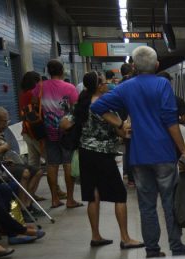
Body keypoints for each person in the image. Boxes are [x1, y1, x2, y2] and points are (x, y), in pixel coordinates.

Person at [90, 46, 185, 258]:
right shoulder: (162, 84)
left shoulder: (127, 87)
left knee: (147, 205)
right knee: (169, 203)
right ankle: (177, 247)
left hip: (139, 155)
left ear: (133, 66)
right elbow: (171, 122)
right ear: (157, 65)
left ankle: (152, 250)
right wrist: (183, 150)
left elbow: (97, 107)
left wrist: (120, 125)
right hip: (163, 153)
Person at [60, 72, 144, 249]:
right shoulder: (105, 105)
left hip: (85, 153)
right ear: (99, 86)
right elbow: (121, 131)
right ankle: (125, 238)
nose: (107, 85)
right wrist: (124, 127)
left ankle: (96, 236)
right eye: (104, 83)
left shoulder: (81, 105)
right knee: (120, 195)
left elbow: (65, 124)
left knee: (93, 195)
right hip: (103, 154)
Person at [33, 59, 81, 209]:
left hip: (48, 130)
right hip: (66, 131)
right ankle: (70, 199)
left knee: (52, 165)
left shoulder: (39, 87)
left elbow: (35, 103)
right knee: (67, 164)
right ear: (62, 71)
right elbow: (75, 108)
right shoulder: (69, 87)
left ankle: (54, 199)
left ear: (48, 71)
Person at [0, 107, 42, 211]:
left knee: (38, 171)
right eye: (4, 121)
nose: (6, 124)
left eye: (7, 121)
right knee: (25, 173)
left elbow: (4, 147)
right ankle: (21, 208)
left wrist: (4, 151)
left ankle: (27, 203)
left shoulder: (1, 131)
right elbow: (0, 149)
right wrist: (4, 147)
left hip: (4, 163)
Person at [19, 71, 45, 174]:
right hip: (36, 132)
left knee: (33, 163)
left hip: (26, 130)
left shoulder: (22, 95)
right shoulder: (33, 94)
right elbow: (40, 109)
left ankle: (29, 188)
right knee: (50, 161)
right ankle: (55, 188)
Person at [118, 62, 134, 187]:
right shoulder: (133, 83)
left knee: (127, 149)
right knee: (134, 149)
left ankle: (128, 176)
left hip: (123, 122)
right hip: (133, 121)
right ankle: (134, 177)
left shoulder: (119, 85)